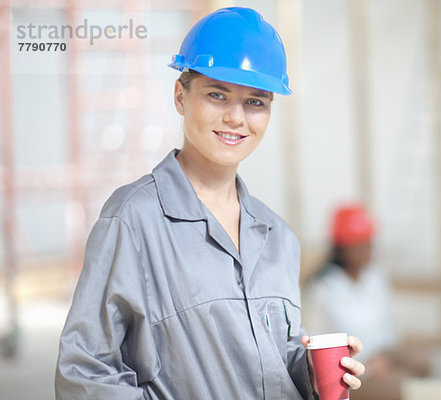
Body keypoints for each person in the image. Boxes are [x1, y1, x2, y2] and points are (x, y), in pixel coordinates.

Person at [55, 7, 364, 399]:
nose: (236, 117)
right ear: (180, 97)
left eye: (256, 102)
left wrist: (314, 376)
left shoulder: (278, 238)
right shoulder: (133, 220)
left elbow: (274, 362)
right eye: (217, 95)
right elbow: (84, 372)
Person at [303, 205, 427, 399]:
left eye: (369, 243)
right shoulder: (324, 288)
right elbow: (318, 350)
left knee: (424, 363)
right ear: (342, 249)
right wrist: (369, 366)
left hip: (385, 354)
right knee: (405, 388)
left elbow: (389, 328)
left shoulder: (375, 277)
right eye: (361, 245)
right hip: (354, 368)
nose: (368, 250)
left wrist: (387, 358)